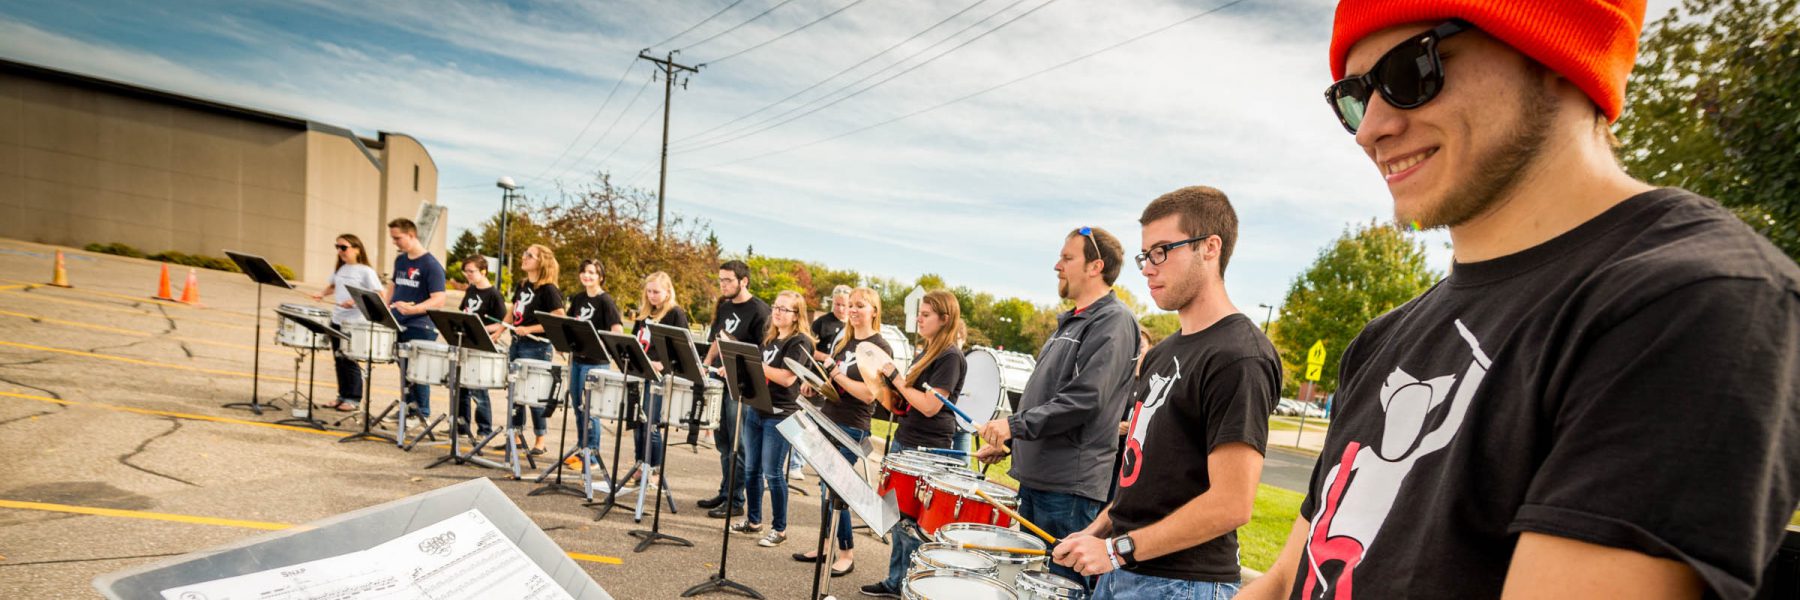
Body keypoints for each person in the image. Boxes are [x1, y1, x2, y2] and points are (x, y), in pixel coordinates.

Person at [1238, 2, 1800, 599]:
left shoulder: (1693, 304)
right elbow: (1281, 583)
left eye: (1410, 73)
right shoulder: (1385, 339)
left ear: (1559, 52)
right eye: (1352, 98)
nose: (1371, 127)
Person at [1053, 187, 1280, 599]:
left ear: (1210, 247)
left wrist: (1117, 551)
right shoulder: (1161, 355)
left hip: (1182, 583)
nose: (1147, 268)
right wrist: (1095, 532)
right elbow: (1143, 486)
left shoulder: (1239, 356)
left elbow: (1232, 504)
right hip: (1123, 571)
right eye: (1145, 255)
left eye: (1162, 251)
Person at [973, 226, 1141, 588]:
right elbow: (1050, 398)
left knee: (1060, 588)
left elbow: (1084, 400)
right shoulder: (1072, 320)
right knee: (1030, 586)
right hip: (1041, 481)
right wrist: (1012, 444)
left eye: (1067, 258)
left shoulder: (1113, 320)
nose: (1057, 266)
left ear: (1096, 266)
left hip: (1068, 491)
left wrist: (1013, 426)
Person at [861, 290, 968, 599]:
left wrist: (896, 379)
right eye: (919, 313)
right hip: (907, 439)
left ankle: (911, 585)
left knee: (912, 524)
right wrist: (891, 394)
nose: (919, 319)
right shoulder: (928, 351)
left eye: (926, 314)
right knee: (896, 517)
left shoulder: (950, 356)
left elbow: (931, 406)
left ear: (944, 319)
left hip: (926, 448)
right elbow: (908, 399)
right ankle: (896, 581)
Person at [793, 286, 889, 576]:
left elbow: (869, 395)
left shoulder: (879, 347)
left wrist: (835, 375)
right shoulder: (843, 341)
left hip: (853, 425)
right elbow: (834, 384)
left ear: (874, 310)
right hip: (828, 418)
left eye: (861, 305)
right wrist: (816, 385)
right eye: (852, 305)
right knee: (825, 487)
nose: (854, 310)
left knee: (836, 488)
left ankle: (846, 552)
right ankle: (825, 547)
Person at [729, 290, 814, 548]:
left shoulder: (800, 342)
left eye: (784, 309)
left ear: (797, 314)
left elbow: (788, 378)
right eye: (776, 307)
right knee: (751, 469)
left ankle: (780, 528)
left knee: (773, 473)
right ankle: (753, 520)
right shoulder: (771, 338)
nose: (776, 312)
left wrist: (753, 363)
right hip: (756, 409)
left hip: (780, 414)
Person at [697, 260, 771, 518]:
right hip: (718, 378)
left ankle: (736, 501)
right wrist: (705, 364)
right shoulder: (725, 307)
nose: (723, 285)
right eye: (721, 280)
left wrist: (735, 366)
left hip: (741, 386)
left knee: (738, 445)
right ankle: (725, 491)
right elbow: (718, 338)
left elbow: (762, 353)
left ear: (744, 281)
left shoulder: (761, 311)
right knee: (723, 442)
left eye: (728, 280)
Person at [620, 271, 689, 492]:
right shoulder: (643, 315)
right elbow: (634, 342)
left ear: (668, 292)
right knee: (638, 423)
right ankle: (640, 464)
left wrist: (663, 364)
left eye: (656, 292)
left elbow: (683, 350)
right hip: (639, 375)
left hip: (660, 378)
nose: (652, 296)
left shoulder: (675, 314)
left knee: (652, 426)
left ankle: (655, 470)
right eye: (649, 291)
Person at [564, 259, 624, 470]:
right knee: (577, 407)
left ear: (600, 276)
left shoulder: (605, 301)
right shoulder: (579, 298)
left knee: (591, 410)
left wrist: (602, 342)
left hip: (596, 363)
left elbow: (617, 331)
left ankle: (593, 456)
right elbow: (569, 324)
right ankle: (582, 449)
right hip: (577, 360)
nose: (586, 275)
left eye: (591, 272)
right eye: (584, 271)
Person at [384, 218, 446, 422]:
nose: (395, 242)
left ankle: (421, 413)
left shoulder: (431, 265)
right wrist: (385, 306)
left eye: (398, 238)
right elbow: (393, 285)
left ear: (411, 235)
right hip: (399, 321)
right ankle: (408, 408)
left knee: (419, 372)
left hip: (421, 325)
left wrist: (414, 310)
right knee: (405, 371)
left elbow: (439, 299)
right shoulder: (400, 260)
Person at [311, 234, 382, 412]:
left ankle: (353, 399)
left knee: (350, 360)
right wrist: (322, 293)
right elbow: (333, 286)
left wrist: (355, 301)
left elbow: (378, 294)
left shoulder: (366, 271)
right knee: (339, 360)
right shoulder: (341, 269)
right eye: (337, 247)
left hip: (355, 323)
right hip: (337, 320)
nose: (339, 251)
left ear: (357, 249)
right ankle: (342, 396)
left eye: (344, 247)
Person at [506, 244, 564, 457]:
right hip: (517, 343)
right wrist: (499, 330)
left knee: (534, 396)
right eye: (524, 253)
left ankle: (540, 440)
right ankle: (516, 437)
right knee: (515, 395)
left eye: (529, 255)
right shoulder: (522, 285)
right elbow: (513, 311)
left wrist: (529, 328)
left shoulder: (548, 290)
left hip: (537, 346)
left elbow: (558, 318)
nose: (524, 257)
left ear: (542, 262)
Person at [454, 255, 506, 438]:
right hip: (466, 343)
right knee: (461, 388)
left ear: (483, 271)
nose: (467, 274)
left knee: (479, 391)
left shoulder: (494, 295)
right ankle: (461, 427)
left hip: (481, 346)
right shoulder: (471, 290)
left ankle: (484, 430)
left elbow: (501, 323)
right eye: (465, 271)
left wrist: (479, 328)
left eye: (471, 271)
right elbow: (464, 314)